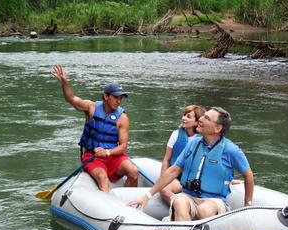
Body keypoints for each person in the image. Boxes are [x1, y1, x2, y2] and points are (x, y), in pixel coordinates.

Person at [129, 107, 254, 221]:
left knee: (204, 210)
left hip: (215, 200)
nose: (201, 119)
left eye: (207, 118)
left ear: (217, 128)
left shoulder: (231, 150)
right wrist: (147, 195)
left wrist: (247, 206)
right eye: (203, 116)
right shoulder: (193, 143)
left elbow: (248, 175)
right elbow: (174, 170)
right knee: (179, 201)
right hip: (189, 196)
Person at [51, 64, 138, 192]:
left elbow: (123, 146)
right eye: (115, 97)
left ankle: (126, 204)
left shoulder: (123, 118)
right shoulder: (91, 108)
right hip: (92, 156)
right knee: (102, 178)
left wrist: (107, 152)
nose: (118, 101)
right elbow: (71, 99)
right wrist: (65, 82)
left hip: (113, 156)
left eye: (121, 98)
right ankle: (107, 208)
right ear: (106, 96)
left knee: (134, 172)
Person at [160, 104, 206, 205]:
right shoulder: (175, 134)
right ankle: (180, 204)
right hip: (175, 176)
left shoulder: (203, 139)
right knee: (163, 189)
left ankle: (184, 205)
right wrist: (163, 178)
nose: (183, 118)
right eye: (184, 115)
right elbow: (166, 160)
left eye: (188, 116)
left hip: (191, 179)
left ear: (197, 122)